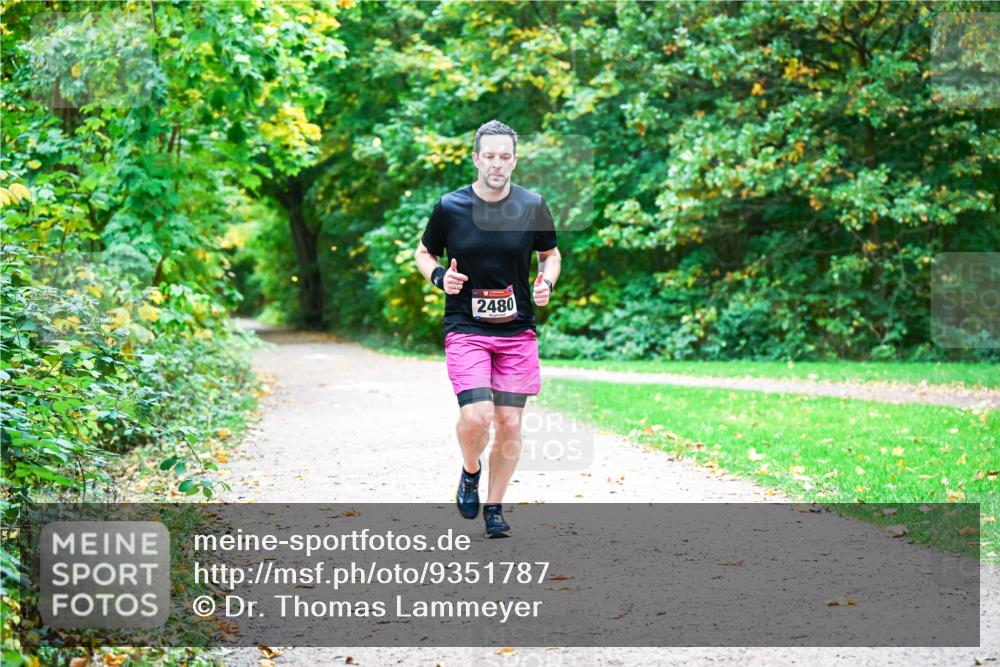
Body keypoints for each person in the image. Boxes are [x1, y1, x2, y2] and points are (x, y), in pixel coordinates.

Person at [414, 119, 561, 538]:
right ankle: (470, 470)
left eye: (504, 157)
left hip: (516, 332)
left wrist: (545, 281)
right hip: (467, 326)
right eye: (489, 156)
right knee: (476, 417)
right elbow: (424, 253)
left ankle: (494, 507)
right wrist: (440, 276)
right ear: (477, 159)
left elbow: (550, 255)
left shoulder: (532, 205)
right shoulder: (450, 207)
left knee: (510, 424)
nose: (497, 164)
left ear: (514, 160)